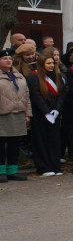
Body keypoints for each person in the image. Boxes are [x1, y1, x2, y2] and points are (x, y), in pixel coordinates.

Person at [27, 49, 64, 176]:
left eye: (53, 63)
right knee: (41, 141)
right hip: (40, 115)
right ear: (42, 64)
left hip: (55, 113)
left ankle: (55, 166)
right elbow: (36, 96)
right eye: (48, 63)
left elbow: (61, 95)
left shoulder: (58, 76)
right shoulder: (34, 77)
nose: (52, 65)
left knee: (54, 141)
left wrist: (57, 110)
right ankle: (44, 167)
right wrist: (46, 112)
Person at [0, 47, 31, 183]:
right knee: (1, 145)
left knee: (14, 144)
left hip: (18, 114)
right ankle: (1, 172)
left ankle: (13, 171)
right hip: (3, 114)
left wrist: (27, 113)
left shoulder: (18, 75)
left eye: (10, 58)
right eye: (4, 58)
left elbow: (27, 96)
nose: (8, 60)